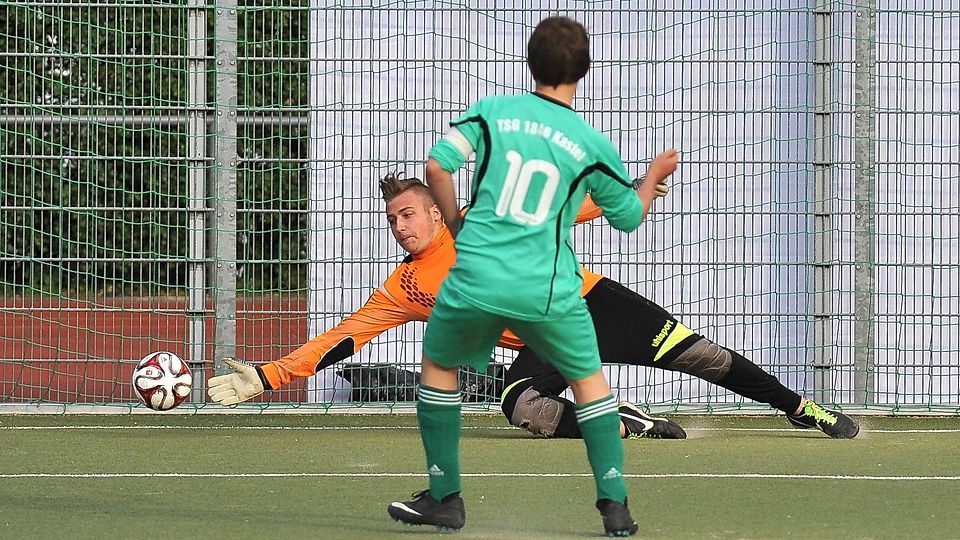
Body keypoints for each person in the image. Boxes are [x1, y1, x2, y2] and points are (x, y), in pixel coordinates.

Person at [207, 172, 858, 443]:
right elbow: (345, 337)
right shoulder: (403, 288)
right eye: (392, 219)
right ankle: (619, 422)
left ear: (435, 211)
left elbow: (567, 209)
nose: (400, 226)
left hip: (591, 302)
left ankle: (799, 407)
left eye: (408, 214)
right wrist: (268, 377)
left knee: (707, 359)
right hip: (539, 347)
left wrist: (638, 191)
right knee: (523, 406)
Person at [395, 16, 668, 536]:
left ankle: (445, 496)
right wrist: (651, 181)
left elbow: (436, 167)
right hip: (549, 287)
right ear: (584, 70)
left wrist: (455, 223)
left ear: (529, 62)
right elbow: (627, 218)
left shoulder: (494, 111)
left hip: (476, 276)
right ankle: (615, 507)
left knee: (438, 365)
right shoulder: (590, 143)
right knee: (590, 384)